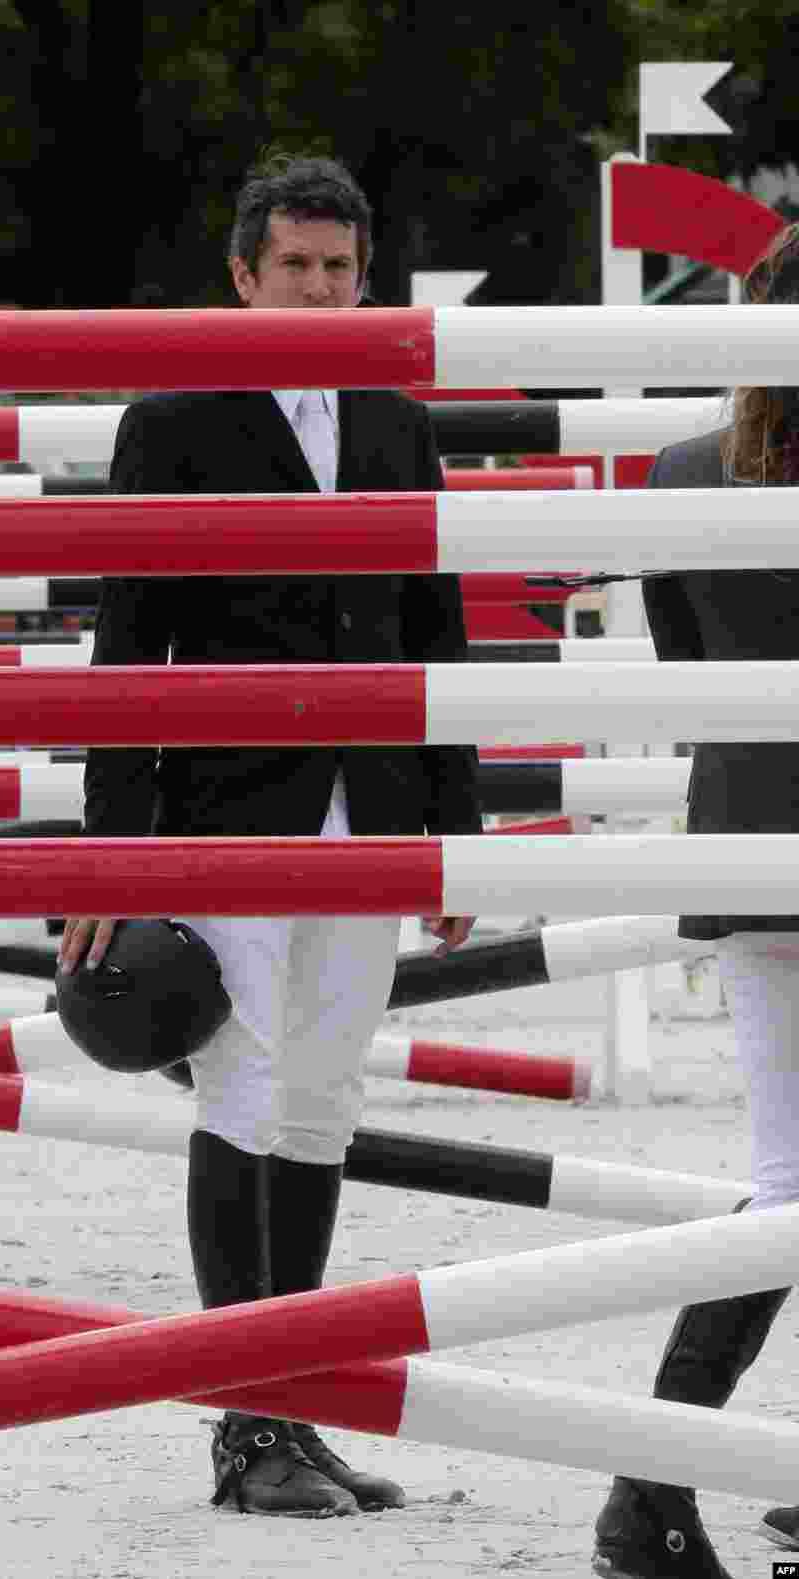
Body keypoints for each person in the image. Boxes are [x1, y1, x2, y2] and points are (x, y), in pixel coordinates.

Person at [59, 152, 482, 1517]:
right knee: (242, 1090)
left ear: (367, 281)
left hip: (374, 806)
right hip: (226, 810)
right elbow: (129, 642)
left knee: (324, 1100)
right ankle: (245, 1432)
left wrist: (455, 829)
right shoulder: (172, 418)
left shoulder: (399, 422)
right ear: (243, 275)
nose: (317, 287)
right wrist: (113, 854)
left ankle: (297, 1407)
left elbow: (433, 627)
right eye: (294, 264)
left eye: (338, 269)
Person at [591, 224, 799, 1578]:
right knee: (789, 1190)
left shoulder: (679, 471)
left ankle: (657, 1484)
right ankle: (647, 1481)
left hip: (746, 836)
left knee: (789, 1181)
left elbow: (683, 667)